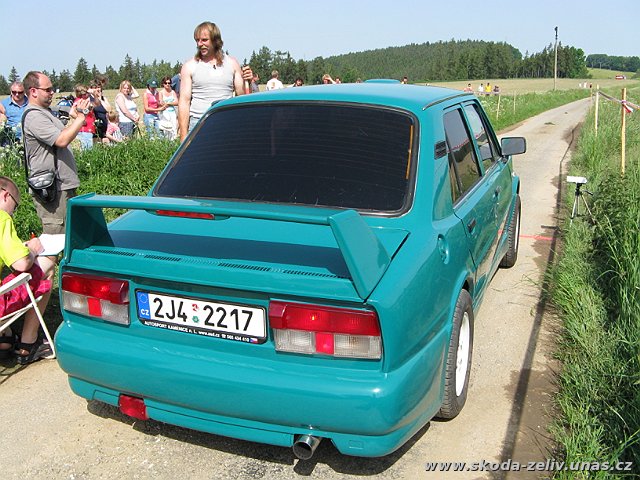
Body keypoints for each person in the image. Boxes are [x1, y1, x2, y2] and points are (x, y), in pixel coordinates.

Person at [22, 71, 86, 236]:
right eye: (48, 89)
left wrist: (74, 118)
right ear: (33, 91)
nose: (52, 93)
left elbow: (63, 135)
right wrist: (80, 118)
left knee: (70, 236)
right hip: (53, 189)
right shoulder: (34, 116)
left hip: (61, 186)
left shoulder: (45, 112)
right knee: (56, 239)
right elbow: (62, 140)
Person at [0, 177, 56, 364]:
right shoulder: (2, 218)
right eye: (15, 207)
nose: (13, 213)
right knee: (48, 263)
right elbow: (22, 263)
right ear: (5, 195)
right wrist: (32, 250)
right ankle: (28, 343)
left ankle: (4, 339)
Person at [178, 21, 253, 142]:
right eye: (197, 40)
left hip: (226, 122)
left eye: (204, 40)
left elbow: (242, 96)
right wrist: (183, 136)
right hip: (198, 123)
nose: (200, 44)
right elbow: (184, 102)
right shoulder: (190, 66)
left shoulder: (232, 63)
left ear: (215, 40)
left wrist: (248, 81)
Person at [70, 84, 98, 150]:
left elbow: (97, 104)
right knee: (87, 150)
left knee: (89, 148)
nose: (88, 94)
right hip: (84, 130)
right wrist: (82, 120)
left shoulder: (85, 101)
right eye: (86, 93)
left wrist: (95, 95)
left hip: (89, 129)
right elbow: (71, 112)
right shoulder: (79, 101)